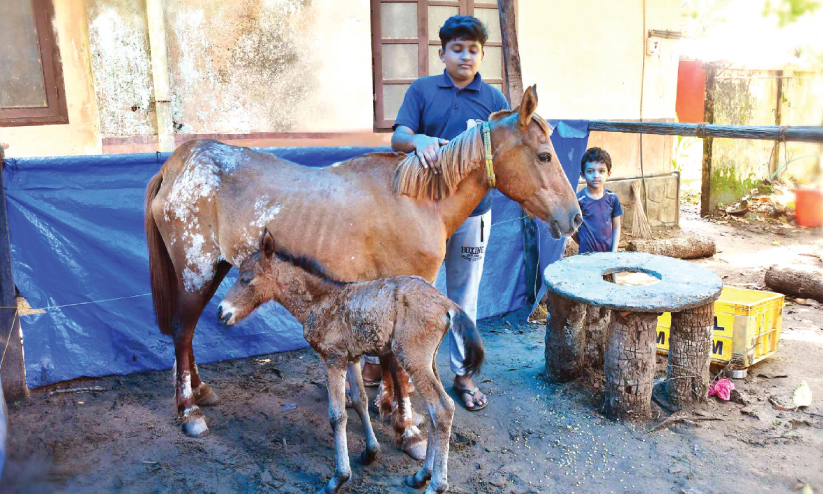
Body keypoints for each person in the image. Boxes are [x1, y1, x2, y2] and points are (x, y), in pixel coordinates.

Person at [361, 14, 509, 412]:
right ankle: (377, 364)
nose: (465, 56)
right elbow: (398, 137)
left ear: (482, 56)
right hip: (416, 215)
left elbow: (507, 153)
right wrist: (420, 139)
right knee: (397, 292)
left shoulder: (494, 102)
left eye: (473, 50)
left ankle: (462, 374)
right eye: (456, 49)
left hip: (473, 214)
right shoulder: (422, 89)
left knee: (464, 296)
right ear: (441, 53)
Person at [574, 147, 623, 254]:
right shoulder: (578, 200)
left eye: (601, 171)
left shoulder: (612, 198)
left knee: (609, 272)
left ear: (608, 174)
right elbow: (572, 229)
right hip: (586, 257)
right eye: (590, 171)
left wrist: (613, 252)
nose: (596, 176)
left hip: (608, 257)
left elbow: (616, 227)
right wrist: (583, 244)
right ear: (582, 175)